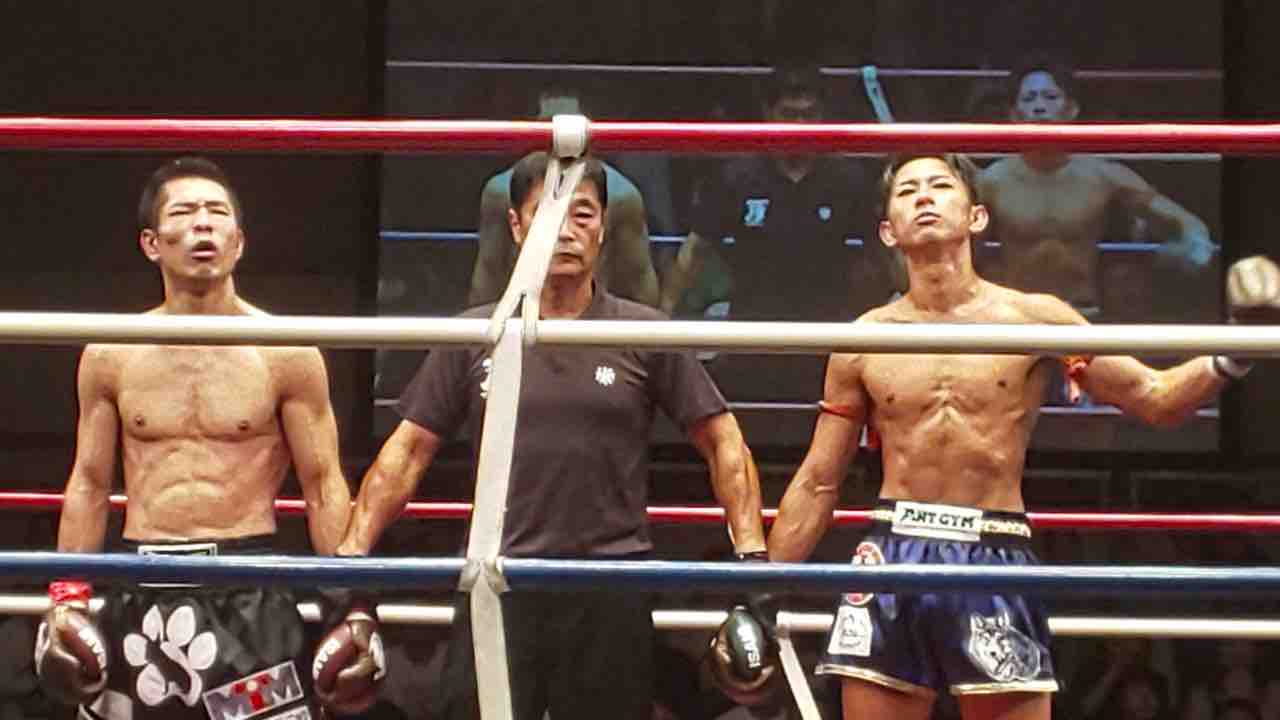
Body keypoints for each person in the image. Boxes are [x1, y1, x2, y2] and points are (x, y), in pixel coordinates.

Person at [764, 153, 1276, 720]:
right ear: (889, 231)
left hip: (993, 545)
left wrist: (1236, 352)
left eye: (940, 186)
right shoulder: (863, 340)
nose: (924, 197)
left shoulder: (1035, 319)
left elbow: (1154, 397)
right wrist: (759, 591)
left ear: (977, 217)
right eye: (908, 191)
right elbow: (818, 481)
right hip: (892, 549)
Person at [338, 151, 769, 720]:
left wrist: (753, 564)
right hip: (496, 580)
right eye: (546, 214)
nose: (565, 231)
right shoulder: (478, 333)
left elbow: (724, 442)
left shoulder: (642, 332)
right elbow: (407, 452)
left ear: (603, 228)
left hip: (610, 587)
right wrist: (348, 569)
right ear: (516, 227)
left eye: (582, 214)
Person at [34, 157, 382, 720]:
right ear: (152, 243)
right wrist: (67, 600)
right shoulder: (109, 354)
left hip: (250, 588)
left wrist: (352, 606)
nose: (202, 223)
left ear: (238, 242)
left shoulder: (287, 352)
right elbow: (90, 483)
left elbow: (323, 487)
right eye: (184, 212)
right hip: (141, 579)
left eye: (217, 212)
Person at [660, 65, 890, 402]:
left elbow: (882, 251)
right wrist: (662, 319)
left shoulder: (848, 180)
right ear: (769, 114)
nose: (800, 125)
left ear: (822, 117)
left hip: (828, 335)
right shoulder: (735, 177)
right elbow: (696, 250)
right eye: (790, 114)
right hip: (752, 331)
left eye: (808, 115)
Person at [978, 54, 1216, 318]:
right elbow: (962, 248)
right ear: (1014, 115)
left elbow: (1187, 223)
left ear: (1071, 110)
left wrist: (1193, 245)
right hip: (1016, 318)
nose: (1040, 107)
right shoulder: (992, 181)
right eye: (1029, 98)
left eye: (1050, 97)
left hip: (1083, 314)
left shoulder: (1102, 175)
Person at [467, 87, 660, 308]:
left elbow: (638, 282)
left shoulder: (622, 194)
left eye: (582, 215)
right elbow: (489, 277)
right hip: (521, 312)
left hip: (596, 314)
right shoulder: (501, 191)